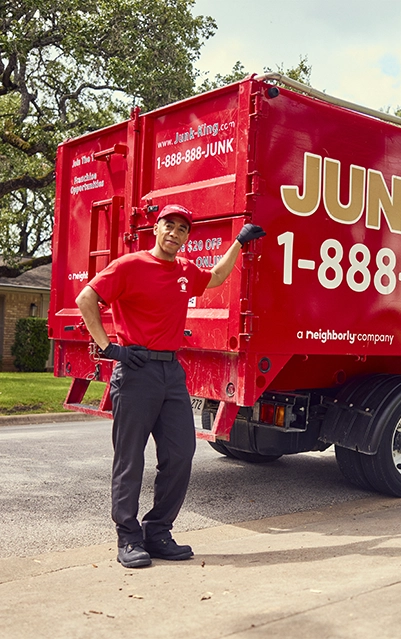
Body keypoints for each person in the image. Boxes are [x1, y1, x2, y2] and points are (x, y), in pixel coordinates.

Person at [76, 204, 265, 568]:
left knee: (180, 454)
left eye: (182, 229)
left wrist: (239, 242)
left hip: (171, 372)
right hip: (135, 372)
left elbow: (215, 277)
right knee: (130, 459)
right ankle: (128, 538)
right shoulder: (130, 265)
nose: (175, 233)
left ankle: (158, 532)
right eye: (169, 226)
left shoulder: (183, 270)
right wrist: (108, 347)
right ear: (156, 228)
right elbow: (86, 298)